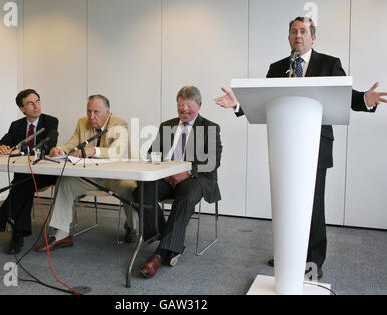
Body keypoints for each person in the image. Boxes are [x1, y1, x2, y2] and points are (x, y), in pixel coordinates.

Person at [216, 17, 387, 279]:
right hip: (283, 147)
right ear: (288, 37)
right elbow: (263, 100)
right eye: (294, 31)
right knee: (286, 203)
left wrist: (365, 98)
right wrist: (238, 105)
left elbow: (345, 96)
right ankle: (289, 255)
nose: (298, 35)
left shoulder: (329, 64)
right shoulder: (277, 68)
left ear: (313, 37)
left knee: (313, 205)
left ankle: (313, 261)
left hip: (316, 146)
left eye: (303, 31)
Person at [137, 86, 222, 278]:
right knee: (141, 191)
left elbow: (213, 162)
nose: (184, 110)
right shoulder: (167, 125)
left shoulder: (210, 127)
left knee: (187, 194)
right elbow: (152, 153)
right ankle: (164, 235)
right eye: (180, 106)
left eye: (188, 106)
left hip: (195, 178)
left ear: (198, 106)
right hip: (167, 176)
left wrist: (187, 170)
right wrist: (164, 169)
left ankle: (160, 253)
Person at [34, 94, 138, 252]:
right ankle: (61, 235)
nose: (91, 116)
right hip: (90, 175)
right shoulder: (82, 122)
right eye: (89, 111)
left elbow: (116, 152)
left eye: (96, 112)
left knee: (129, 187)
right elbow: (71, 144)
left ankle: (132, 227)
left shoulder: (119, 124)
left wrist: (93, 150)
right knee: (65, 182)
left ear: (108, 112)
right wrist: (59, 149)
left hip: (116, 175)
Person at [0, 89, 59, 254]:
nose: (36, 106)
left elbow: (47, 145)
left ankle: (2, 219)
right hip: (26, 175)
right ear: (22, 109)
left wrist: (20, 151)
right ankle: (18, 233)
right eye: (30, 103)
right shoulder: (17, 126)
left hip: (48, 174)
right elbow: (0, 144)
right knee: (24, 185)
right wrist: (0, 148)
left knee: (21, 184)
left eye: (38, 101)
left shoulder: (50, 121)